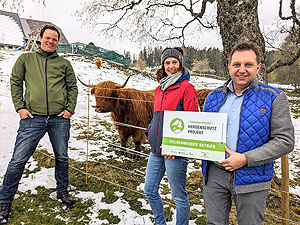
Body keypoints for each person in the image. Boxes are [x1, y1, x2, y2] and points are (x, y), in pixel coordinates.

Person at [202, 42, 295, 225]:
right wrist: (176, 146)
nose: (241, 70)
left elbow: (285, 140)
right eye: (236, 64)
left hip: (252, 176)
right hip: (215, 174)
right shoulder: (213, 97)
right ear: (228, 66)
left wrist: (245, 158)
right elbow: (204, 133)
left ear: (258, 67)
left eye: (248, 65)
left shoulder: (273, 97)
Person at [0, 25, 78, 223]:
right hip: (33, 118)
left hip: (59, 119)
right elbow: (16, 82)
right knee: (18, 160)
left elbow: (72, 87)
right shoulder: (26, 59)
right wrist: (20, 107)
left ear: (57, 42)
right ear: (40, 38)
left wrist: (69, 109)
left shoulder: (64, 64)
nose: (51, 42)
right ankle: (5, 200)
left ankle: (62, 191)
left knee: (62, 156)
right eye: (48, 38)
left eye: (55, 39)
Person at [144, 47, 199, 225]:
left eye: (174, 62)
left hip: (175, 151)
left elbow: (192, 121)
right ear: (163, 65)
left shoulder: (187, 88)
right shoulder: (160, 88)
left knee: (178, 196)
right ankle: (160, 222)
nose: (171, 66)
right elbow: (157, 116)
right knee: (150, 189)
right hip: (157, 149)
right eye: (167, 62)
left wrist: (176, 147)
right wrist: (150, 132)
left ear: (180, 64)